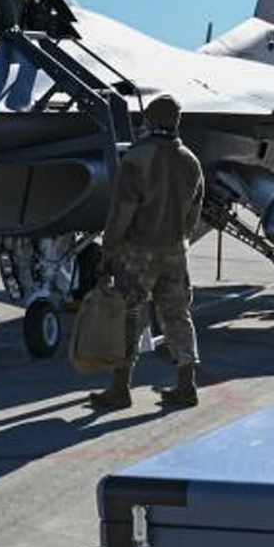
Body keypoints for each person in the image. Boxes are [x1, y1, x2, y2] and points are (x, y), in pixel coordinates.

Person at [88, 95, 206, 410]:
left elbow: (122, 211)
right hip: (175, 251)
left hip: (138, 252)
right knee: (178, 316)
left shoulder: (137, 158)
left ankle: (120, 388)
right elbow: (194, 214)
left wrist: (109, 249)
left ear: (150, 120)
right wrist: (180, 241)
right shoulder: (191, 161)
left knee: (128, 318)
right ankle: (186, 384)